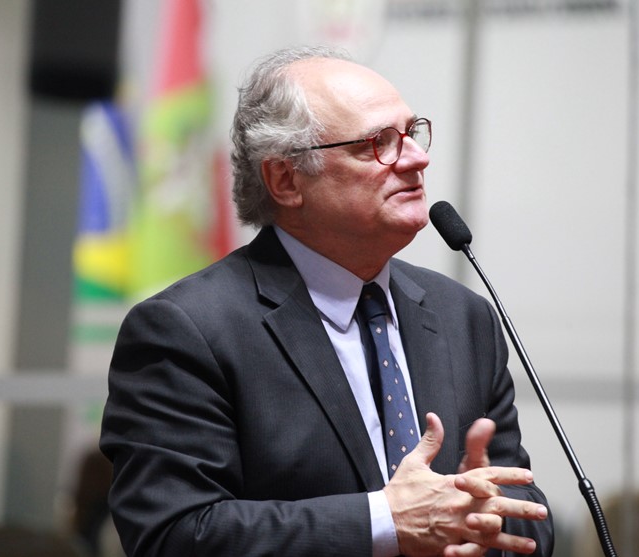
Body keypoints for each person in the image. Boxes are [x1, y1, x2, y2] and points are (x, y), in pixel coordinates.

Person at [100, 45, 554, 557]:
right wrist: (386, 522)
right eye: (378, 143)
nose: (417, 158)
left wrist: (481, 518)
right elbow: (175, 535)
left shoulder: (462, 317)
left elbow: (528, 514)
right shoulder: (188, 330)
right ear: (286, 179)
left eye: (413, 132)